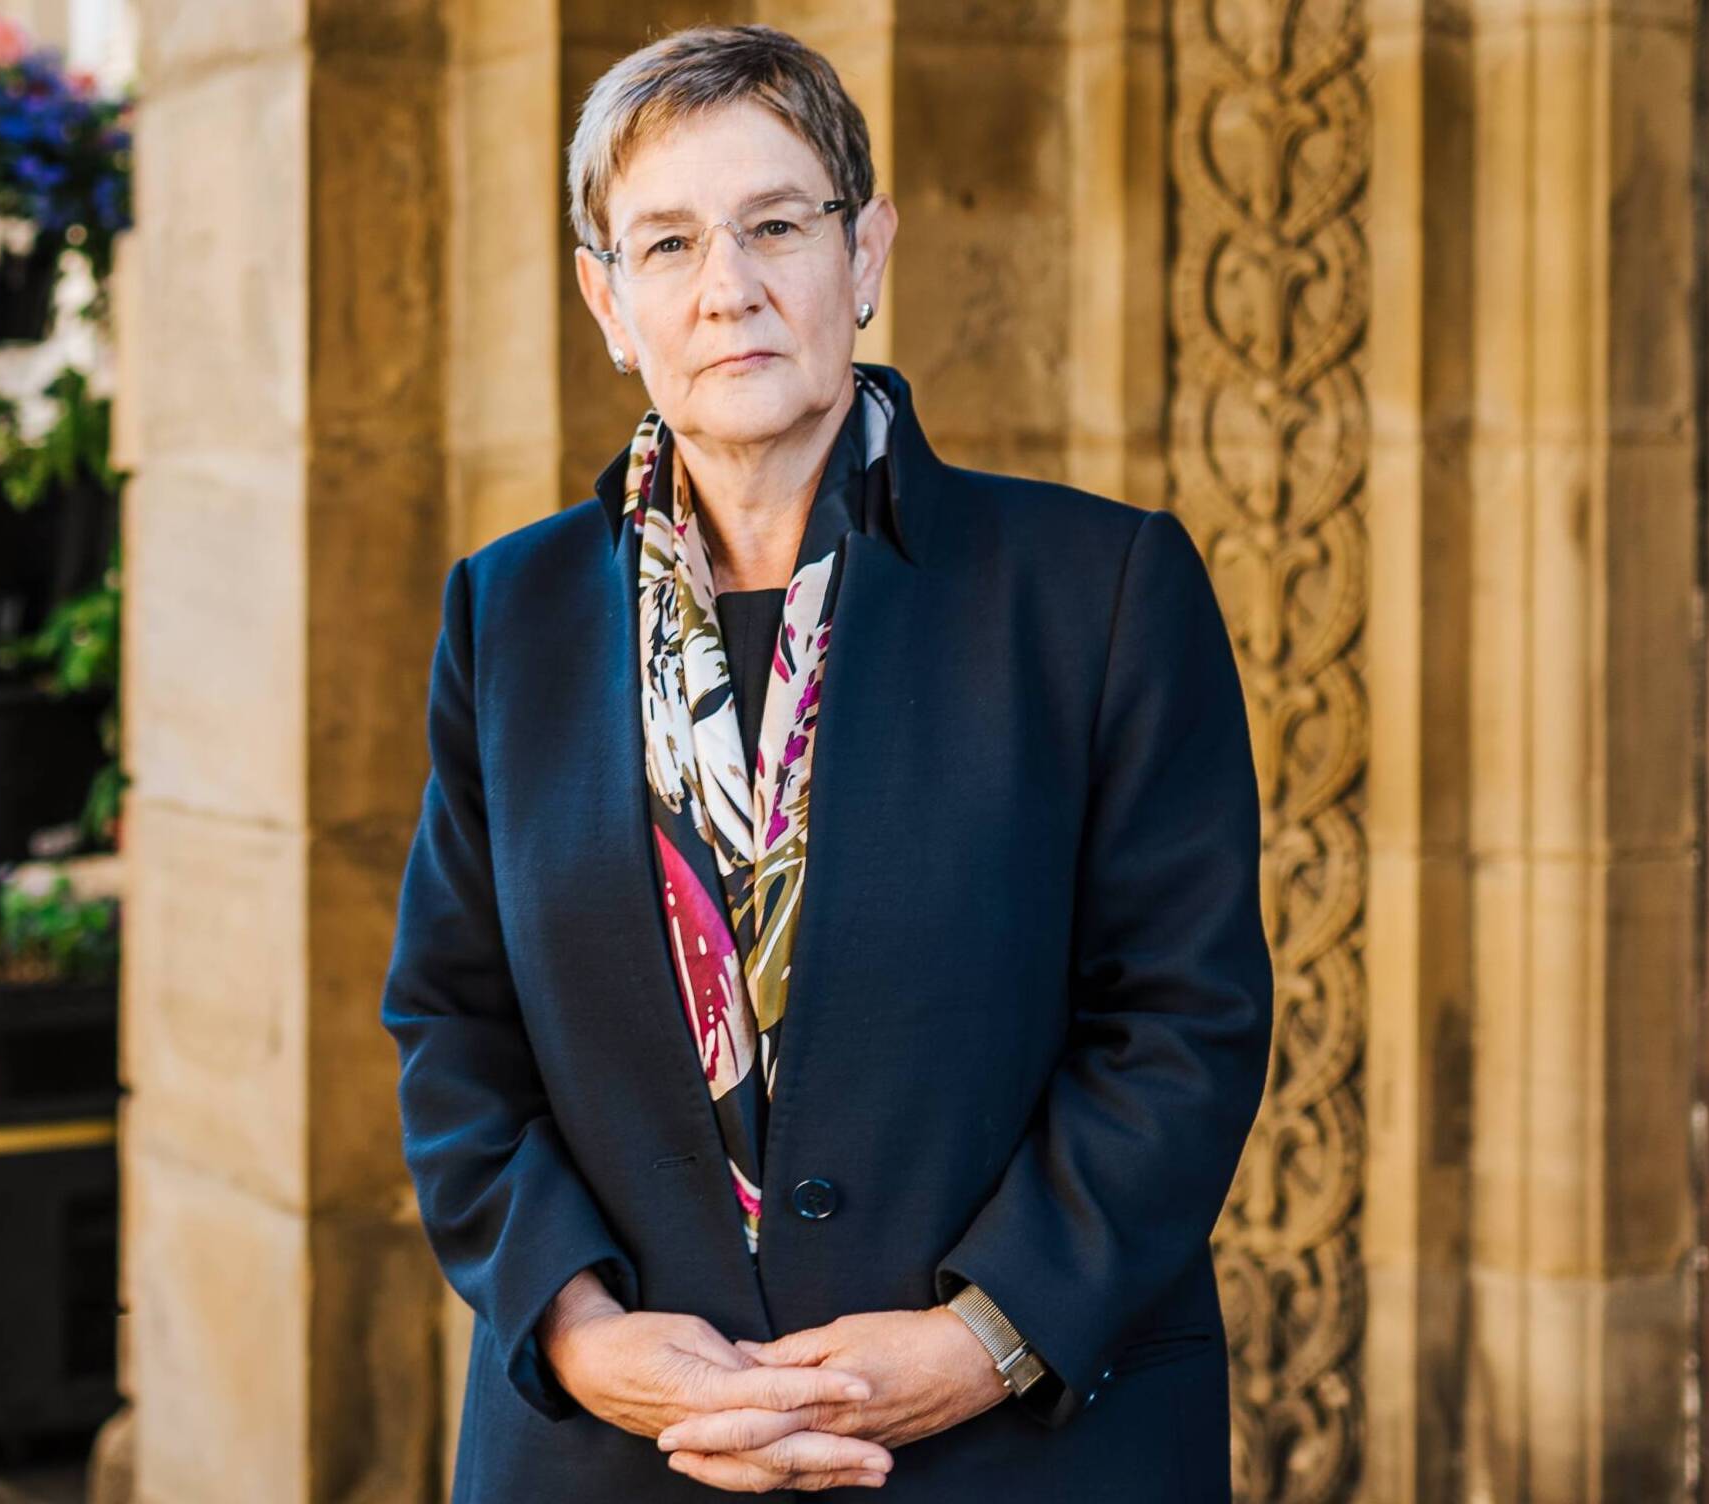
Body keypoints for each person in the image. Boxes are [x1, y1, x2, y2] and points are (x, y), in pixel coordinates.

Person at [378, 22, 1272, 1501]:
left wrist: (986, 1340)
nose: (727, 287)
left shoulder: (1097, 590)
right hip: (616, 1456)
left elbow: (1182, 1022)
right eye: (665, 244)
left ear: (864, 257)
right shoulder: (509, 613)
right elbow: (452, 1026)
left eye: (775, 224)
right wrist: (579, 1328)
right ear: (608, 301)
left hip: (1018, 1445)